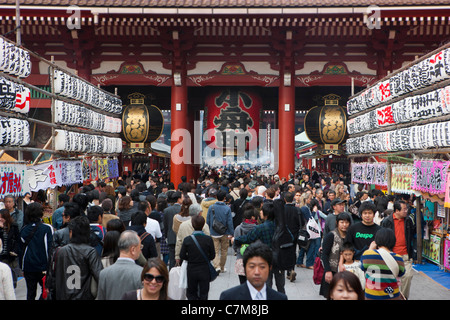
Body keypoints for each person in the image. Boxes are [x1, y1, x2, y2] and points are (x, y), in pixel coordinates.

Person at [51, 215, 103, 300]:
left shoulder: (60, 251)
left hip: (63, 296)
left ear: (71, 232)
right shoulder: (90, 252)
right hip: (84, 296)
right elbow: (100, 276)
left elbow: (54, 276)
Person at [219, 241, 287, 300]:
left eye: (262, 267)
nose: (257, 272)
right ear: (245, 267)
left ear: (270, 268)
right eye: (252, 267)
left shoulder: (280, 298)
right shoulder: (228, 297)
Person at [381, 200, 416, 299]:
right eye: (404, 209)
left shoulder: (408, 220)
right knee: (391, 279)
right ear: (397, 210)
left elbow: (411, 235)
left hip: (405, 254)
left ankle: (403, 297)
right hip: (391, 255)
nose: (406, 211)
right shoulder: (386, 222)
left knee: (408, 276)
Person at [19, 202, 53, 300]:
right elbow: (50, 248)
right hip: (43, 266)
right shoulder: (47, 228)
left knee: (30, 292)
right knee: (45, 290)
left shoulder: (24, 229)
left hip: (28, 266)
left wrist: (22, 267)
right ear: (41, 213)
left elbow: (21, 249)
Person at [97, 230, 144, 300]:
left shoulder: (104, 273)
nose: (140, 251)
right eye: (140, 247)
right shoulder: (141, 272)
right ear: (133, 249)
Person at [360, 228, 405, 300]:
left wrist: (370, 249)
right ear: (393, 241)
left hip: (372, 296)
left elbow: (362, 267)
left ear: (377, 240)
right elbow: (401, 273)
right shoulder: (399, 258)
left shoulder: (368, 254)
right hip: (392, 296)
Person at [180, 214, 215, 300]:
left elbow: (182, 255)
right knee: (204, 293)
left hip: (192, 269)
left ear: (192, 224)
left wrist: (190, 258)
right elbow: (213, 255)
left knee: (191, 293)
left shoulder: (187, 240)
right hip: (204, 269)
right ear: (203, 225)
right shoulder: (208, 239)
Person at [320, 212, 352, 299]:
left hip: (345, 271)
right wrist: (328, 271)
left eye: (346, 222)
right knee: (331, 295)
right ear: (337, 223)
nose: (344, 225)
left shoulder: (349, 236)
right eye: (342, 222)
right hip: (332, 270)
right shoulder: (331, 235)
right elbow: (325, 254)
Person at [206, 190, 234, 273]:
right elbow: (229, 222)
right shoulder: (227, 208)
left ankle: (216, 265)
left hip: (213, 231)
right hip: (224, 232)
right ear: (224, 198)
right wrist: (231, 233)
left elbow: (208, 220)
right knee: (224, 250)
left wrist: (208, 229)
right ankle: (222, 267)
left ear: (216, 197)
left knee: (215, 250)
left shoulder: (211, 207)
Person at [233, 204, 258, 284]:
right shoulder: (258, 229)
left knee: (243, 285)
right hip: (255, 260)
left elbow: (235, 246)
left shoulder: (238, 228)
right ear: (253, 217)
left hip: (241, 259)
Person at [0, 209, 21, 287]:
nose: (0, 219)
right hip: (1, 255)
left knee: (11, 274)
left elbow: (17, 240)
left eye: (2, 217)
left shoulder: (13, 226)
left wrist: (15, 251)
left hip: (11, 255)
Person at [163, 191, 183, 269]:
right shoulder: (184, 210)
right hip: (182, 237)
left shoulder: (167, 210)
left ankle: (171, 275)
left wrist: (166, 236)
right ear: (179, 199)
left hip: (171, 236)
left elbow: (165, 225)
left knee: (172, 259)